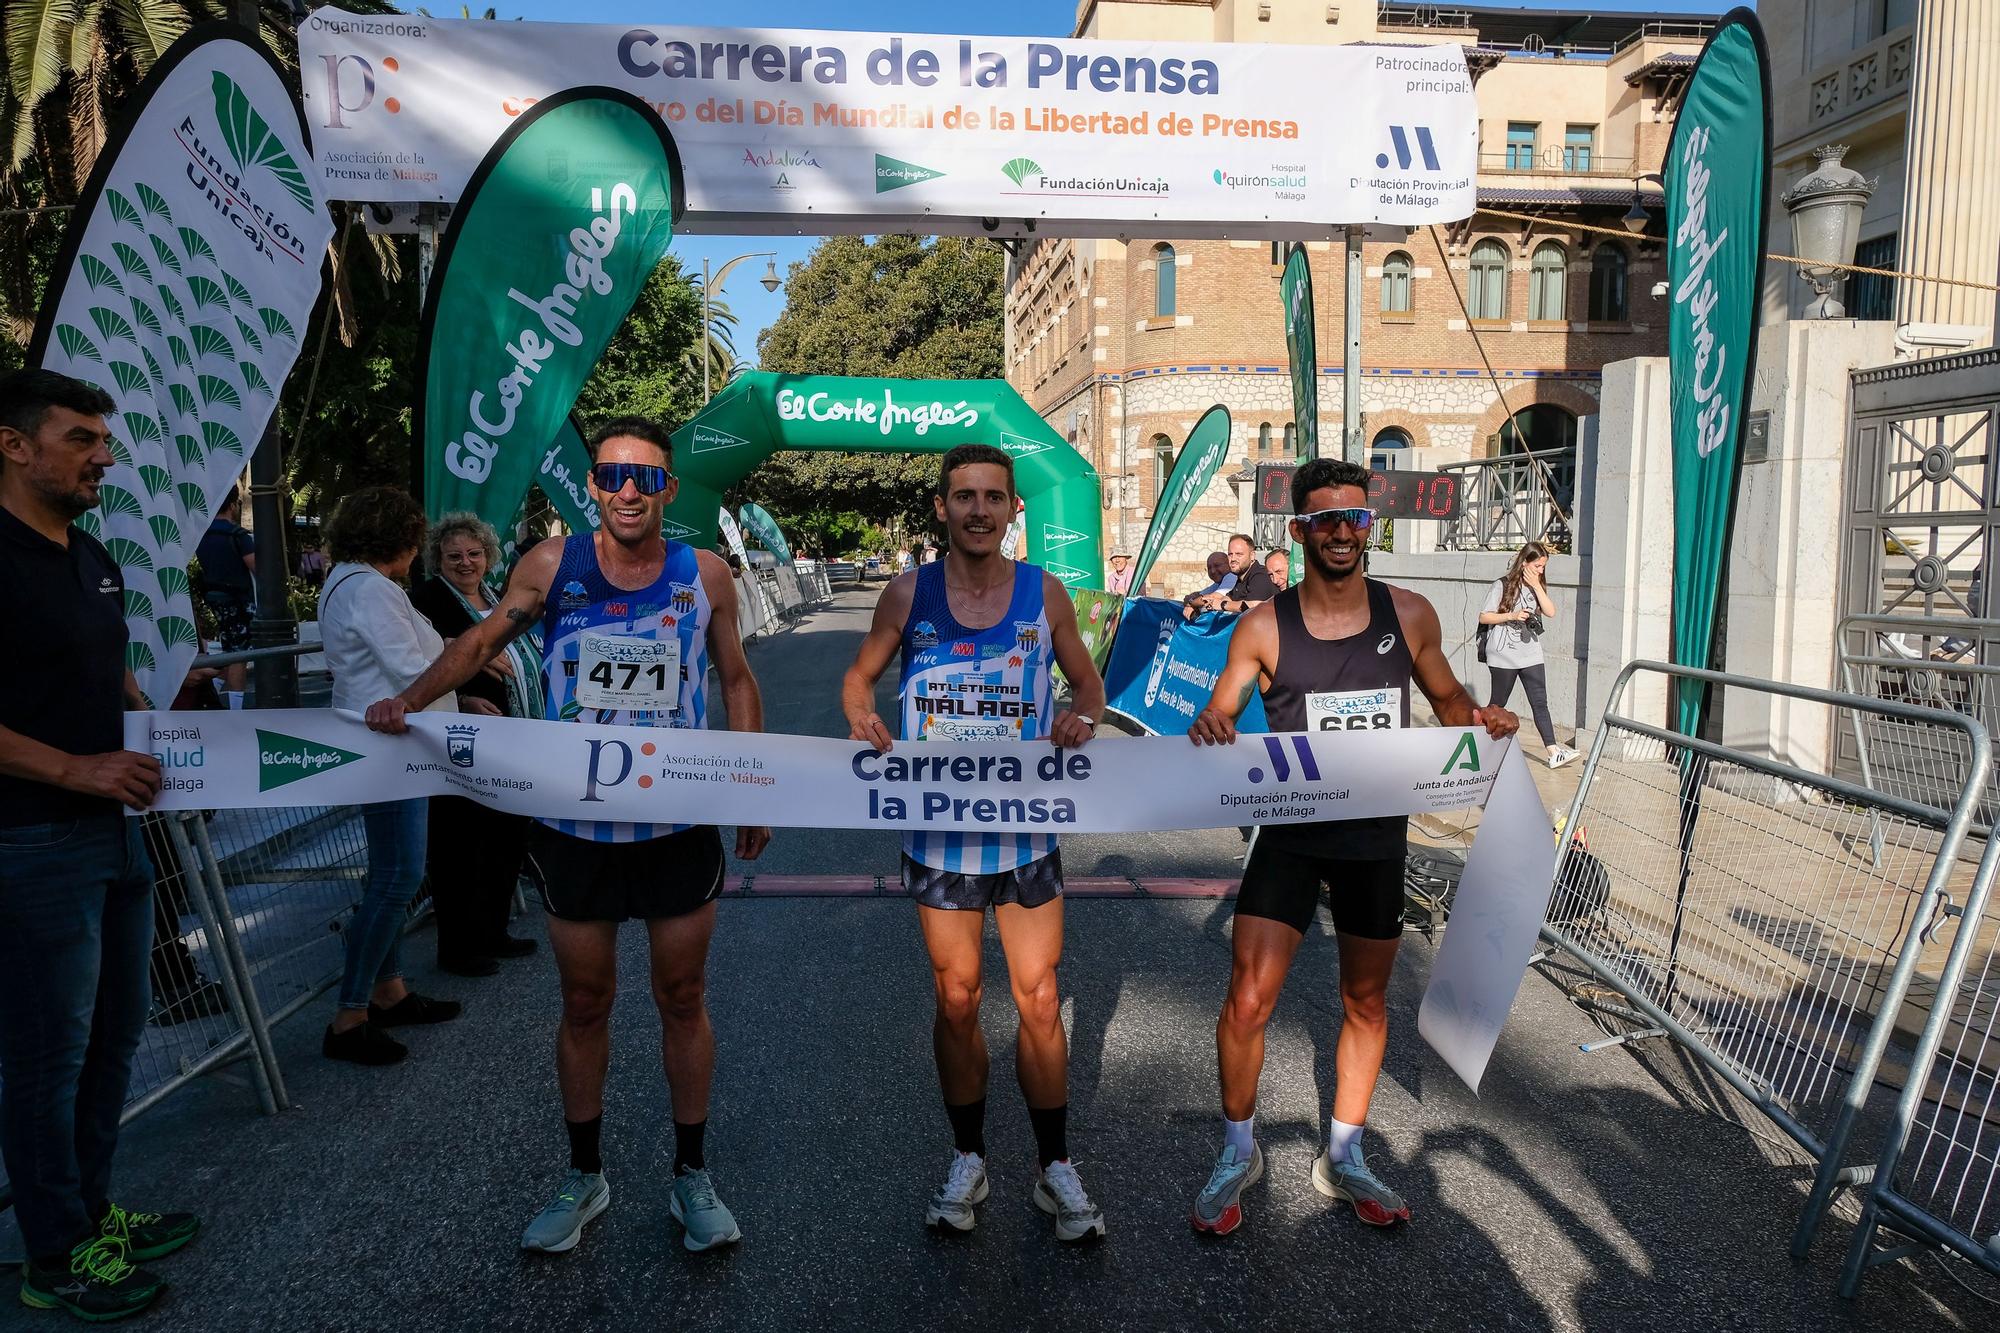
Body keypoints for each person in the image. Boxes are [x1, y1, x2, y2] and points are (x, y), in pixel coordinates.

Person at [365, 416, 770, 1257]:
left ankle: (691, 1174)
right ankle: (585, 1174)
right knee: (585, 1002)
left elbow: (735, 677)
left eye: (648, 478)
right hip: (574, 828)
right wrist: (410, 699)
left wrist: (750, 786)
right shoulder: (551, 566)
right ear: (592, 484)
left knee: (682, 998)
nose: (630, 491)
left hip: (676, 823)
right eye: (614, 475)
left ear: (669, 490)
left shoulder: (707, 574)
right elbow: (479, 640)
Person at [1185, 457, 1519, 1236]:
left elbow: (1451, 704)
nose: (1343, 532)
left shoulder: (1408, 613)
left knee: (1365, 1002)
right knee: (1246, 1001)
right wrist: (1214, 722)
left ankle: (1345, 1152)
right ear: (1299, 530)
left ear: (1372, 526)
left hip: (1376, 838)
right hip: (1292, 836)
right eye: (1327, 520)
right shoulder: (1264, 624)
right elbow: (1221, 707)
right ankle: (1238, 1151)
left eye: (1356, 519)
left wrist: (1484, 720)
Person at [841, 444, 1109, 1242]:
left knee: (1036, 997)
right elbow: (859, 677)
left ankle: (1053, 1165)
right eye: (964, 497)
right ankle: (968, 1155)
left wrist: (1083, 717)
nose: (980, 510)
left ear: (1012, 508)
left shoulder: (1045, 592)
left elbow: (1088, 684)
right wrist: (860, 709)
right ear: (941, 508)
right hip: (940, 834)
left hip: (1024, 830)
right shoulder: (907, 592)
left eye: (994, 497)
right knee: (957, 1000)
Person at [0, 369, 197, 1322]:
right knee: (47, 1053)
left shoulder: (92, 556)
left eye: (104, 442)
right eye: (81, 439)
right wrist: (77, 770)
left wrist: (166, 742)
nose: (103, 458)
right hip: (31, 840)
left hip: (116, 833)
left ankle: (92, 1210)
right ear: (14, 443)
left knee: (117, 1035)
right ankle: (53, 1252)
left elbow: (109, 670)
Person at [317, 487, 466, 1067]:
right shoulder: (373, 589)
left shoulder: (346, 581)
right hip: (391, 750)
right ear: (400, 539)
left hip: (382, 744)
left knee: (390, 875)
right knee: (397, 877)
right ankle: (350, 1014)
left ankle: (388, 990)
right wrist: (464, 652)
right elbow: (413, 669)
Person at [410, 512, 544, 976]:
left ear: (488, 556)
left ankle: (493, 931)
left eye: (473, 554)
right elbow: (421, 664)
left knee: (507, 836)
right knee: (459, 843)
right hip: (462, 737)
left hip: (515, 733)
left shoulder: (501, 597)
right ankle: (458, 947)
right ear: (437, 561)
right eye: (454, 556)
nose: (465, 563)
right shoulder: (424, 601)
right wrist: (460, 698)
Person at [1479, 542, 1577, 769]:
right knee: (1498, 704)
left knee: (1540, 702)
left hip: (1530, 652)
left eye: (1543, 566)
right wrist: (1512, 615)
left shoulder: (1537, 585)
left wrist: (1537, 585)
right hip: (1503, 654)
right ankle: (1481, 745)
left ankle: (1553, 752)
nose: (1541, 570)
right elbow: (1484, 617)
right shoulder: (1501, 585)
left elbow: (1550, 612)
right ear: (1525, 563)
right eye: (1537, 565)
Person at [194, 487, 255, 707]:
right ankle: (234, 709)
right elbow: (256, 566)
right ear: (232, 505)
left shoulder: (202, 534)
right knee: (239, 653)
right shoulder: (237, 535)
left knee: (229, 647)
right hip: (238, 599)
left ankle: (216, 692)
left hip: (214, 597)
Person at [1199, 533, 1279, 615]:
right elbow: (1229, 597)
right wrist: (1211, 602)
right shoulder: (1241, 578)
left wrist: (1223, 605)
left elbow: (1254, 606)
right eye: (1230, 554)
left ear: (1252, 556)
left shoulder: (1260, 575)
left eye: (1239, 554)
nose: (1233, 559)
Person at [1183, 551, 1235, 618]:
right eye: (1209, 567)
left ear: (1229, 564)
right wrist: (1192, 602)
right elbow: (1197, 595)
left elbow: (1210, 598)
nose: (1213, 571)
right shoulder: (1218, 583)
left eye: (1217, 565)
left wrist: (1191, 604)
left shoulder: (1231, 576)